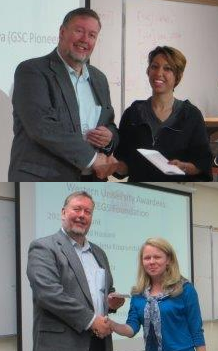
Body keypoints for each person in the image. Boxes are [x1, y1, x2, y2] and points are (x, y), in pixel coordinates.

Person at [8, 8, 119, 181]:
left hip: (91, 180)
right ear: (62, 32)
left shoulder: (99, 79)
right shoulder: (32, 71)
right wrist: (93, 159)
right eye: (79, 31)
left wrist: (109, 138)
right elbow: (42, 126)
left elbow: (109, 123)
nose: (85, 40)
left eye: (92, 35)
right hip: (44, 179)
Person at [27, 191, 125, 351]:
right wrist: (92, 320)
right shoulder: (44, 247)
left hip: (100, 342)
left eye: (88, 212)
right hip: (62, 344)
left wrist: (110, 303)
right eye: (77, 209)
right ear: (63, 212)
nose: (82, 215)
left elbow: (104, 291)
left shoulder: (99, 253)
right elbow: (48, 294)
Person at [114, 46, 212, 181]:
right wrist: (113, 166)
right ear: (148, 71)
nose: (159, 73)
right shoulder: (133, 114)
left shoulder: (191, 115)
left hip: (175, 194)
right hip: (139, 194)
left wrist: (184, 167)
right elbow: (123, 163)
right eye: (154, 67)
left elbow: (203, 163)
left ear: (178, 76)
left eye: (167, 69)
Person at [109, 238, 206, 351]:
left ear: (168, 259)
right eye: (147, 258)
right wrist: (111, 324)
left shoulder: (185, 289)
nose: (151, 262)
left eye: (157, 257)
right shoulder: (138, 294)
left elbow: (197, 331)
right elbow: (131, 329)